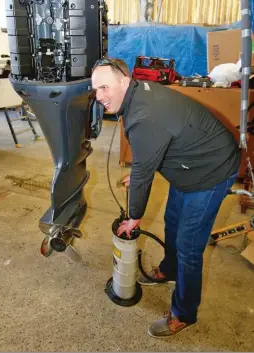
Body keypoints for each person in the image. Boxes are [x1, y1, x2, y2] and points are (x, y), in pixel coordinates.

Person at [91, 58, 241, 338]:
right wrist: (138, 174)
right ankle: (170, 269)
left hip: (212, 170)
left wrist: (134, 217)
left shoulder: (144, 115)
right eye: (95, 89)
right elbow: (151, 151)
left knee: (189, 246)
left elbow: (144, 169)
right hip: (188, 165)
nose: (99, 96)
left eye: (104, 87)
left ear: (124, 81)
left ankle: (184, 313)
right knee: (172, 221)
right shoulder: (135, 96)